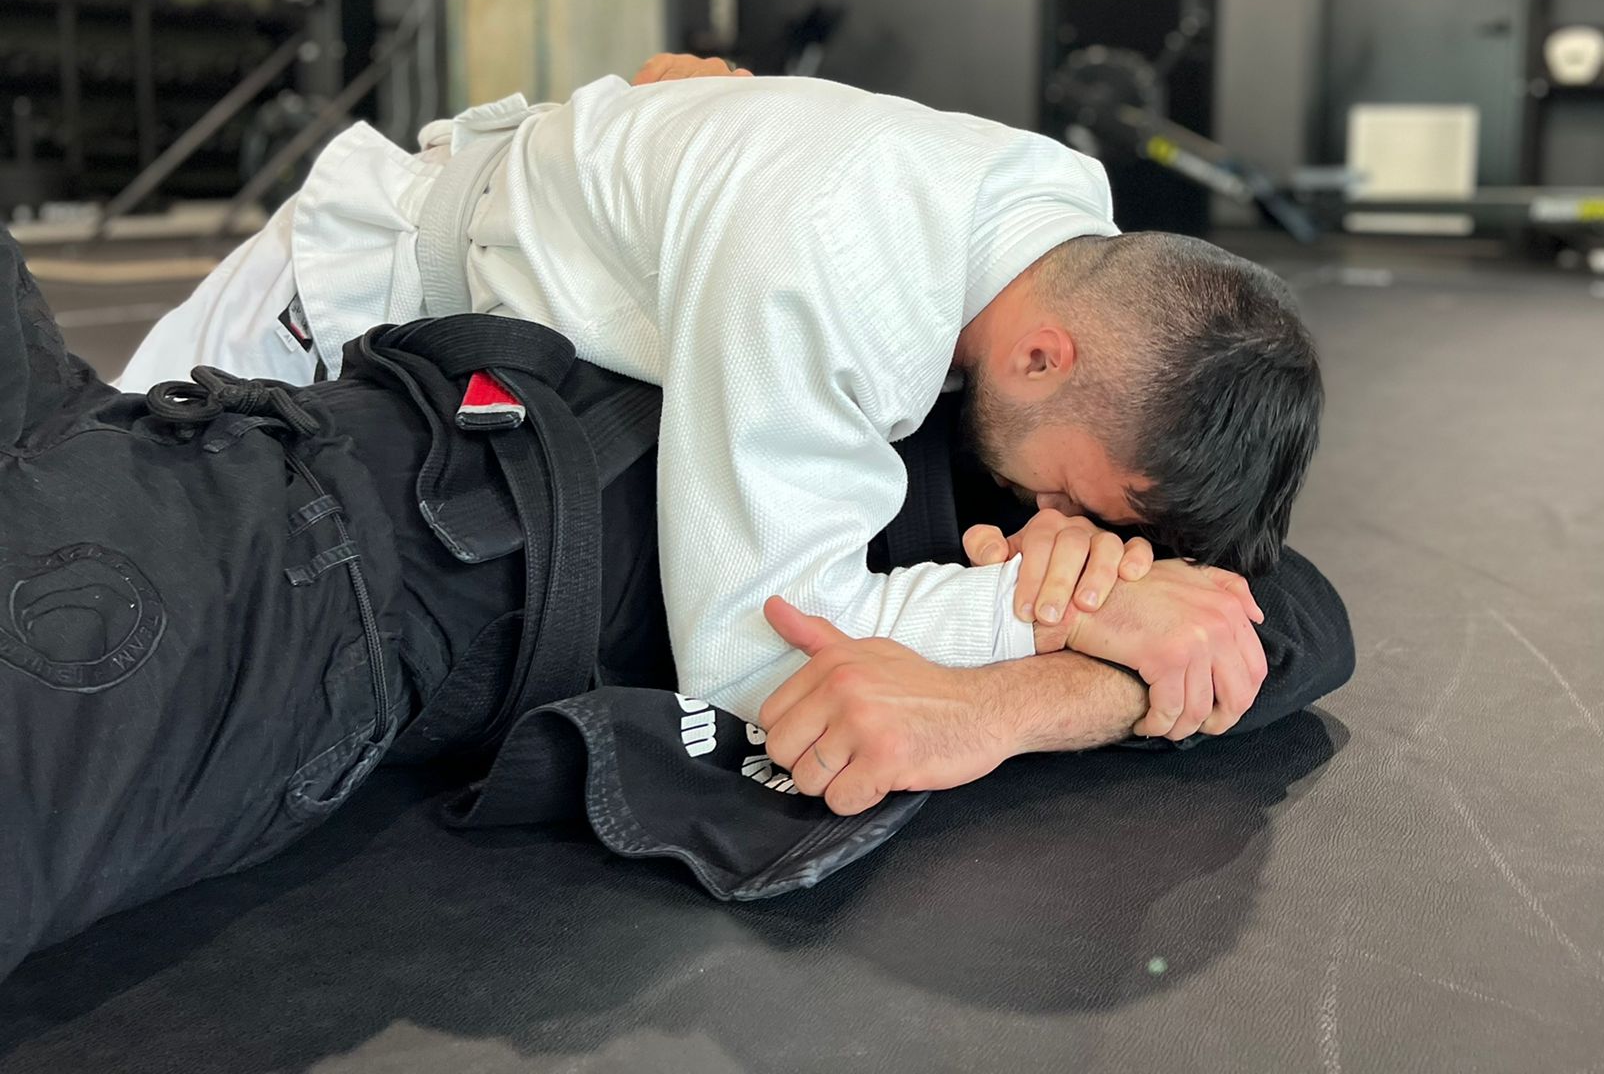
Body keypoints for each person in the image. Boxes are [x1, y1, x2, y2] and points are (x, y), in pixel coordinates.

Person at [0, 226, 1353, 976]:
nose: (1063, 529)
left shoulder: (1069, 516)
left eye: (1107, 528)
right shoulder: (922, 325)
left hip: (321, 579)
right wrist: (1011, 679)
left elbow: (1304, 626)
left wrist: (999, 703)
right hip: (192, 441)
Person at [118, 57, 1325, 738]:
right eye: (1064, 489)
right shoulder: (830, 274)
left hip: (533, 247)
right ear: (1042, 359)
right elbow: (755, 653)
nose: (1042, 508)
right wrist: (1056, 619)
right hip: (336, 293)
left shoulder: (1060, 212)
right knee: (102, 515)